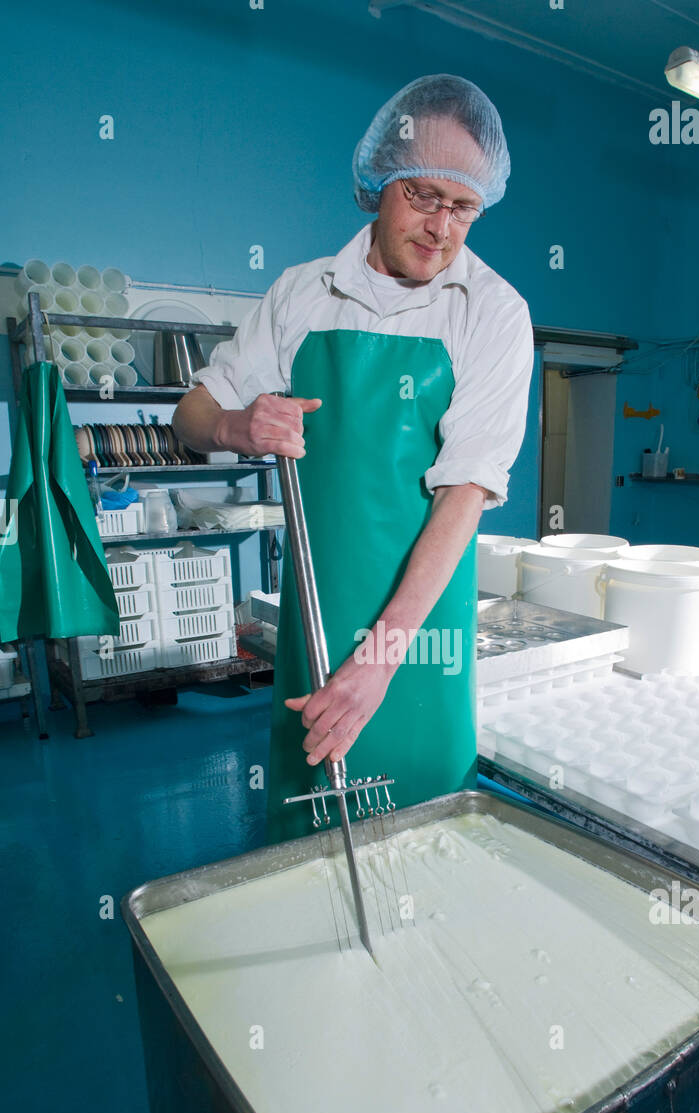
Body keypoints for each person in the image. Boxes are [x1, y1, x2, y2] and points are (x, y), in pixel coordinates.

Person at [173, 74, 535, 844]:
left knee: (431, 832)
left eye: (464, 206)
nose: (442, 227)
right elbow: (190, 417)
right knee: (311, 841)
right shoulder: (301, 294)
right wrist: (241, 427)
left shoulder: (495, 312)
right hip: (316, 608)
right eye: (424, 196)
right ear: (377, 186)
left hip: (422, 633)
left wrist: (379, 661)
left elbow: (464, 494)